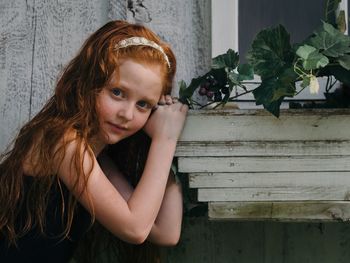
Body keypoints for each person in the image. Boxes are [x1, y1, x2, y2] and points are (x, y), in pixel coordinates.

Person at [0, 20, 188, 262]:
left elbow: (166, 232)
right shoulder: (62, 142)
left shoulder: (100, 159)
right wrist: (165, 140)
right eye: (117, 92)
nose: (127, 114)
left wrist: (165, 146)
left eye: (143, 104)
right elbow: (135, 228)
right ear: (90, 84)